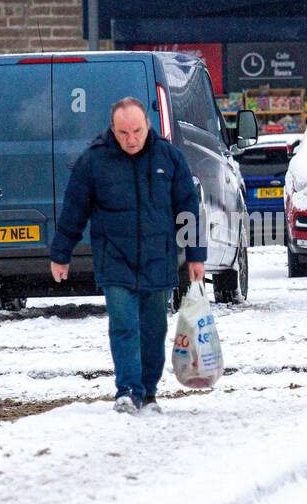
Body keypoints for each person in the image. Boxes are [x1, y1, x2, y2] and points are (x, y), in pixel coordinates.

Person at [49, 96, 204, 414]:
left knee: (153, 328)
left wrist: (195, 254)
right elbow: (74, 209)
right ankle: (127, 390)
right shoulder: (94, 161)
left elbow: (187, 208)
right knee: (123, 324)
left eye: (136, 131)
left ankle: (148, 393)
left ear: (148, 124)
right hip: (114, 257)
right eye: (123, 133)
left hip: (158, 258)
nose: (131, 139)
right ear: (112, 129)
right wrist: (61, 253)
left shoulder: (169, 158)